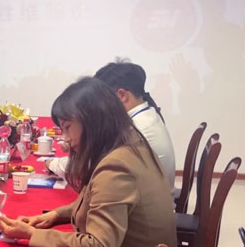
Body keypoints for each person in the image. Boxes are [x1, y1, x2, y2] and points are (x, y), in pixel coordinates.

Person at [0, 77, 178, 247]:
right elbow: (103, 201)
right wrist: (55, 215)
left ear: (91, 121)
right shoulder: (132, 143)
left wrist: (32, 235)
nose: (65, 139)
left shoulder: (116, 167)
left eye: (67, 128)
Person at [46, 60, 176, 191]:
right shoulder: (148, 114)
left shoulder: (133, 129)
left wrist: (52, 163)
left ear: (122, 95)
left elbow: (90, 166)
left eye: (102, 100)